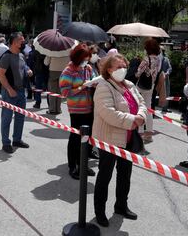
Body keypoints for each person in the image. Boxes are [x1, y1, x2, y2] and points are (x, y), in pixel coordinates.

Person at [93, 54, 147, 227]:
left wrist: (140, 116)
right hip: (109, 138)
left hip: (128, 138)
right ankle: (100, 212)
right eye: (117, 67)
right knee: (105, 175)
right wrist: (132, 120)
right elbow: (107, 112)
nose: (122, 69)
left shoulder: (129, 85)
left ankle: (121, 206)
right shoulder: (103, 86)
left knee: (125, 174)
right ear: (108, 69)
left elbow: (142, 103)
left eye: (124, 66)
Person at [59, 43, 96, 180]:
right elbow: (65, 92)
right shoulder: (68, 71)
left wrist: (93, 83)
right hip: (76, 110)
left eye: (88, 58)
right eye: (84, 59)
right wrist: (81, 87)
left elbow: (93, 80)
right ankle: (72, 166)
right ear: (77, 58)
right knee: (75, 138)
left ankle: (83, 165)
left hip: (89, 108)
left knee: (87, 138)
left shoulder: (88, 68)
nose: (86, 61)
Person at [0, 32, 32, 153]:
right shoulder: (6, 56)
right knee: (6, 118)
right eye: (21, 41)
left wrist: (28, 70)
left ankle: (17, 140)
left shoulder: (21, 55)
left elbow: (24, 66)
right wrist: (9, 89)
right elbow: (1, 75)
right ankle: (5, 143)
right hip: (9, 92)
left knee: (20, 117)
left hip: (21, 91)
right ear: (14, 42)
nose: (23, 43)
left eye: (23, 40)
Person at [135, 38, 161, 143]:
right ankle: (149, 134)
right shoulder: (159, 60)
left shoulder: (146, 59)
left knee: (139, 108)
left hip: (141, 86)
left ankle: (140, 132)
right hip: (151, 86)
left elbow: (137, 73)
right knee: (148, 109)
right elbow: (157, 72)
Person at [160, 46, 172, 113]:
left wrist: (167, 73)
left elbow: (170, 68)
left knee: (166, 92)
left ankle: (164, 108)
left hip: (165, 78)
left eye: (161, 50)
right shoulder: (155, 59)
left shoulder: (166, 59)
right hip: (156, 78)